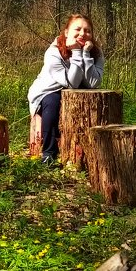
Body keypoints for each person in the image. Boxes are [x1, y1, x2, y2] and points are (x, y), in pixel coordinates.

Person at [26, 14, 104, 165]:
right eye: (78, 29)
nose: (83, 34)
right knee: (53, 101)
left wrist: (86, 54)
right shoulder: (53, 52)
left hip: (75, 92)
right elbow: (71, 83)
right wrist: (76, 52)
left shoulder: (96, 52)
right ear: (67, 32)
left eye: (87, 30)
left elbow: (93, 83)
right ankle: (48, 153)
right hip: (48, 91)